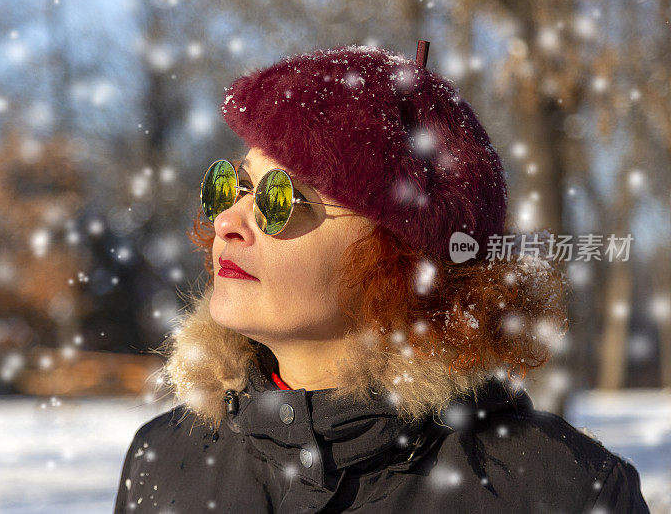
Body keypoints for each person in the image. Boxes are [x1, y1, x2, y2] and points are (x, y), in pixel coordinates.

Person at [113, 44, 650, 513]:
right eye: (229, 187)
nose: (226, 222)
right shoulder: (164, 463)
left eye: (281, 198)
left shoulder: (562, 491)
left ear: (396, 256)